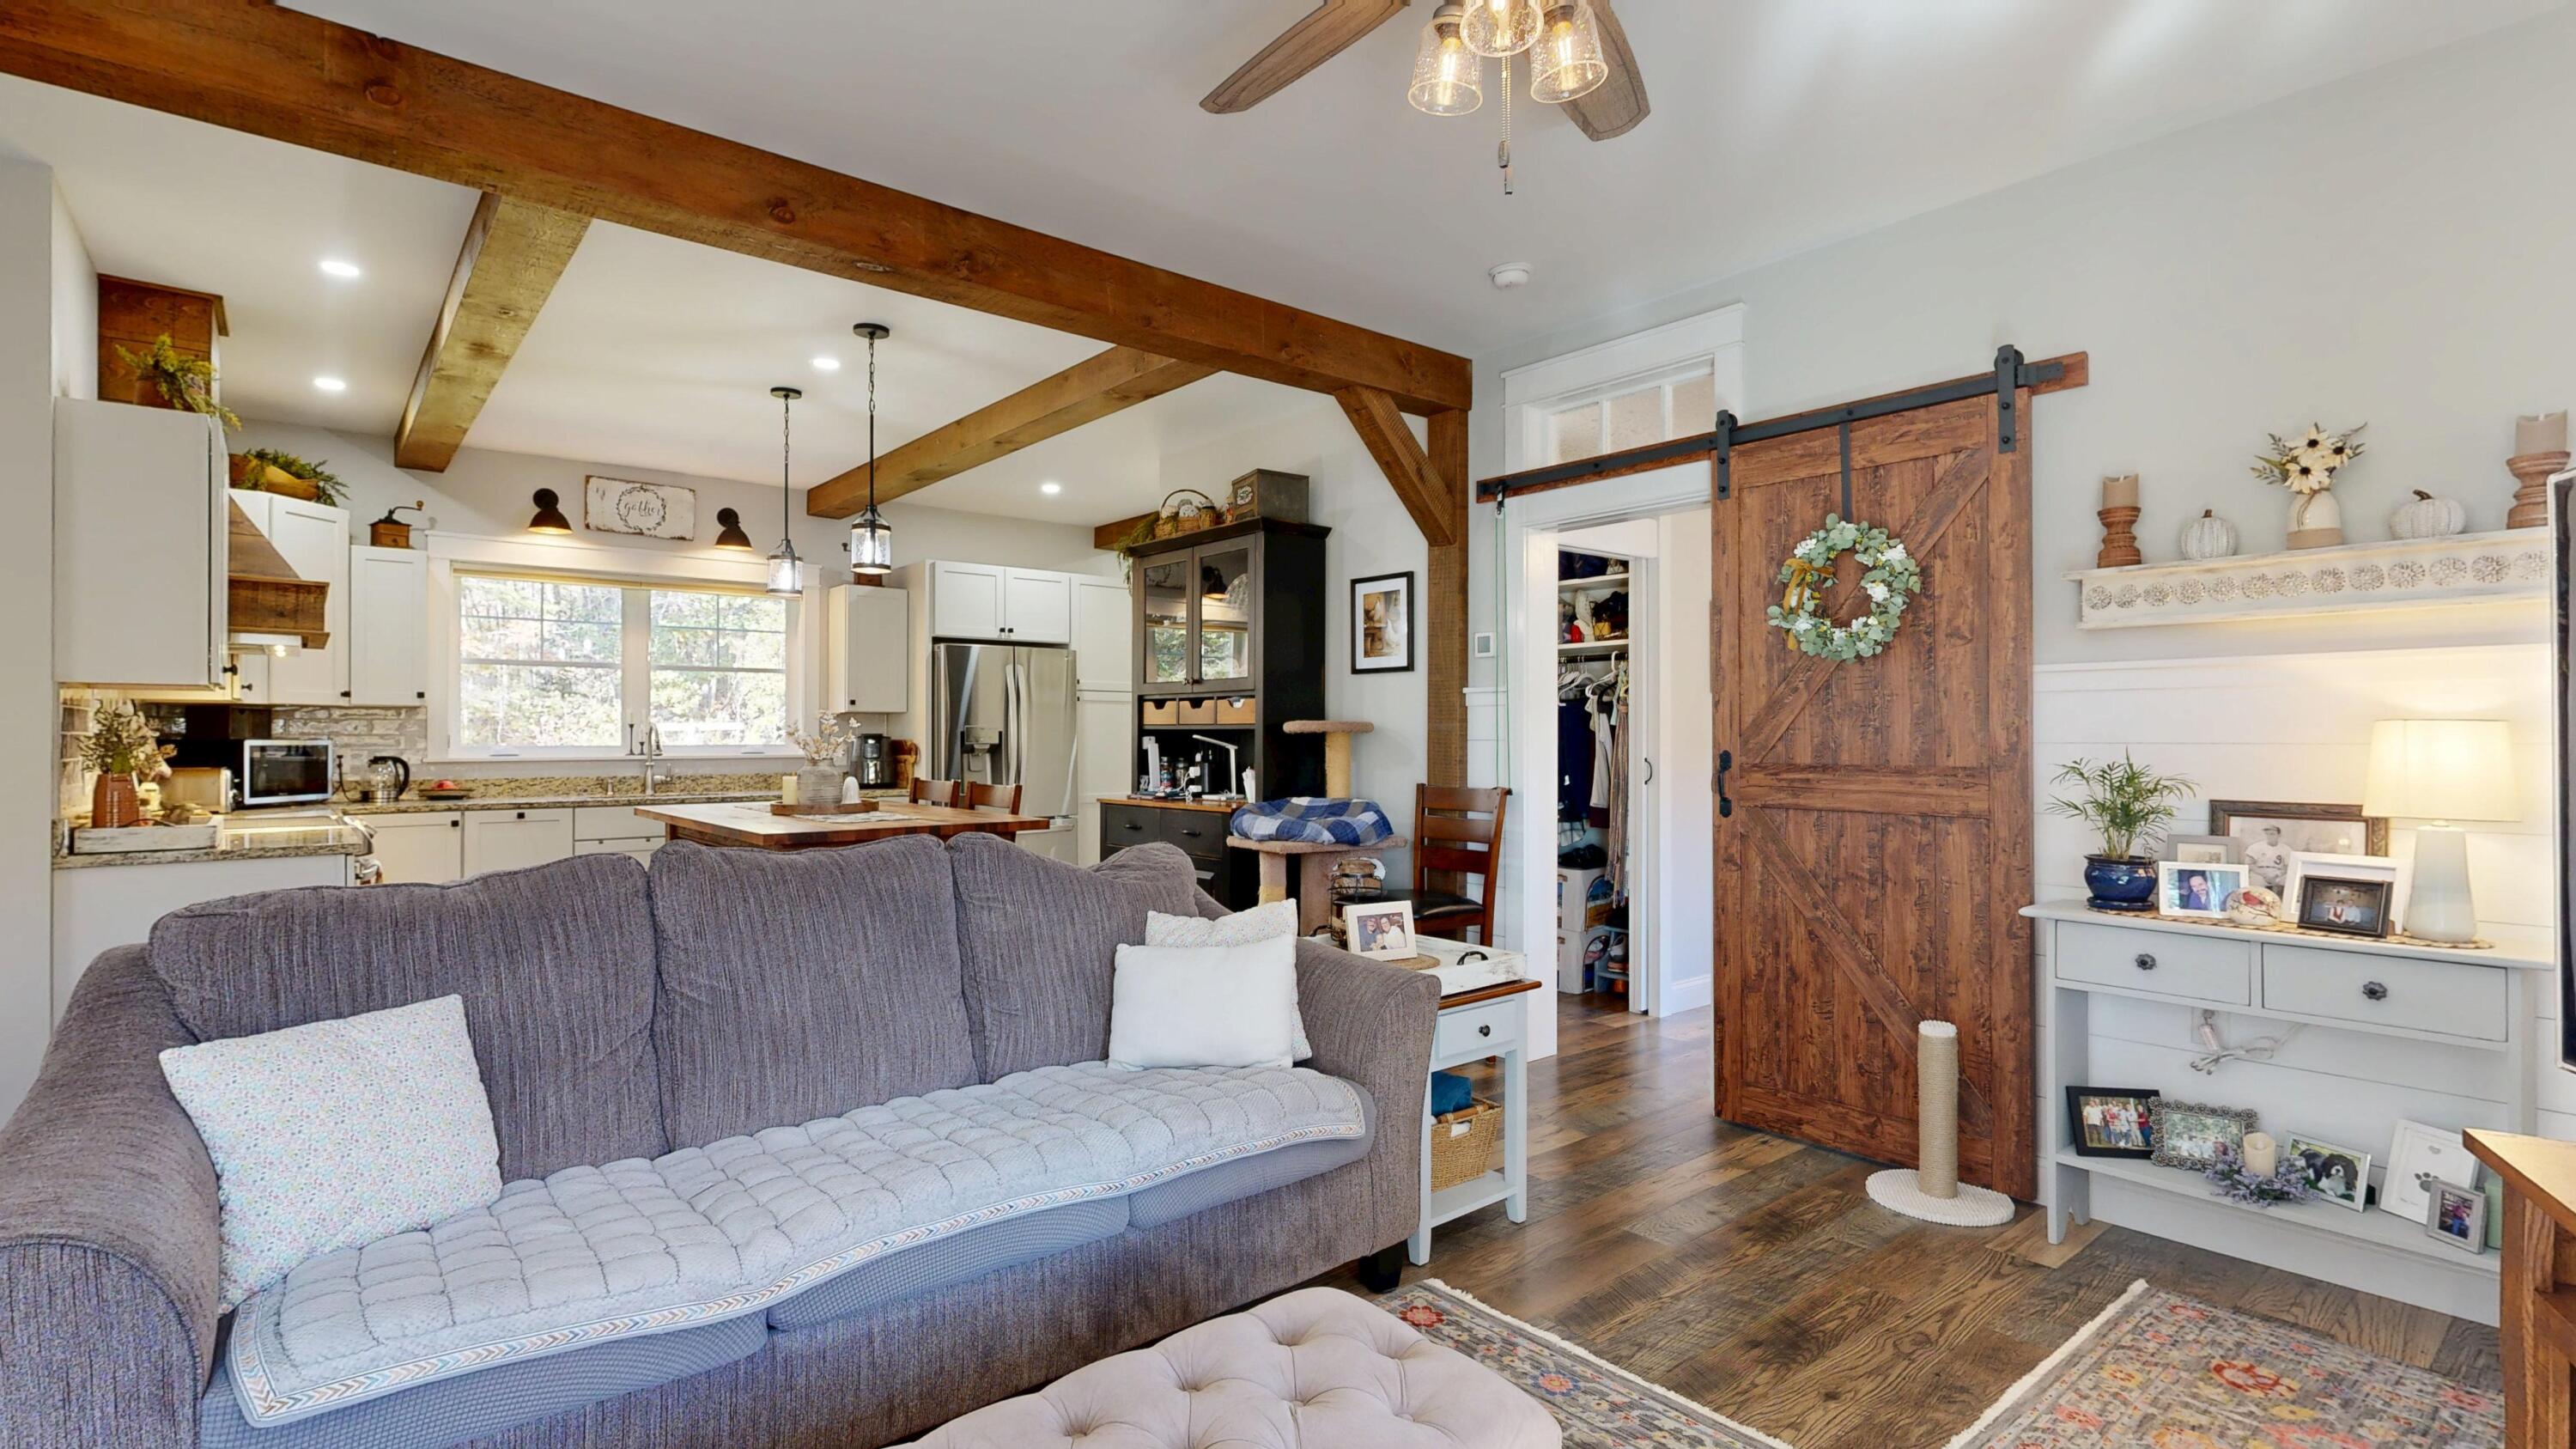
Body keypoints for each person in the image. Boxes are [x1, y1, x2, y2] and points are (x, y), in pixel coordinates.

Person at [2245, 825, 2290, 895]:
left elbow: (2288, 866)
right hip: (2260, 873)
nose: (2269, 836)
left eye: (2272, 834)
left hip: (2278, 873)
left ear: (2279, 835)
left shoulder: (2286, 849)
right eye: (2267, 834)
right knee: (2256, 883)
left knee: (2287, 881)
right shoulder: (2256, 846)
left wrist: (2277, 875)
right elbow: (2249, 863)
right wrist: (2265, 874)